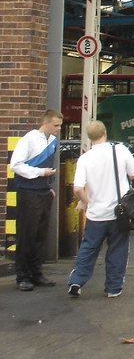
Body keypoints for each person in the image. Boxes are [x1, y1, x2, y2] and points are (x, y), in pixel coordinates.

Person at [67, 120, 134, 298]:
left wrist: (85, 201)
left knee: (88, 248)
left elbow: (77, 188)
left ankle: (77, 280)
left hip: (95, 215)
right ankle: (113, 288)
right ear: (105, 133)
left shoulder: (85, 158)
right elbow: (133, 174)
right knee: (117, 249)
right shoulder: (120, 150)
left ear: (89, 137)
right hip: (118, 213)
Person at [10, 109, 63, 291]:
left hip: (43, 191)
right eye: (56, 125)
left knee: (40, 235)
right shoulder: (29, 139)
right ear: (45, 122)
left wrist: (49, 187)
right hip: (29, 191)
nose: (58, 129)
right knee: (27, 234)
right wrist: (41, 173)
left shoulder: (53, 141)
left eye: (60, 125)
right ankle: (22, 276)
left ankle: (36, 272)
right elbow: (16, 165)